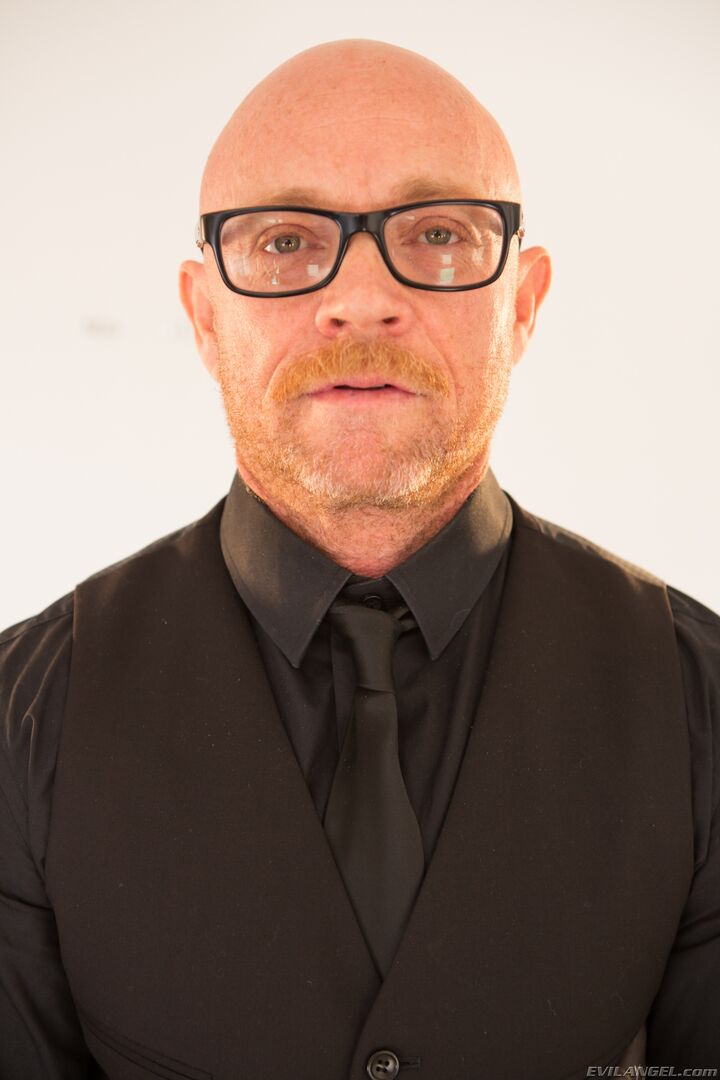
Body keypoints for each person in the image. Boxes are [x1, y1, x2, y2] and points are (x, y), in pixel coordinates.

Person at [0, 38, 718, 1080]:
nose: (362, 298)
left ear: (522, 304)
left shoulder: (701, 699)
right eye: (287, 241)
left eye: (438, 234)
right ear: (205, 317)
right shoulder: (22, 722)